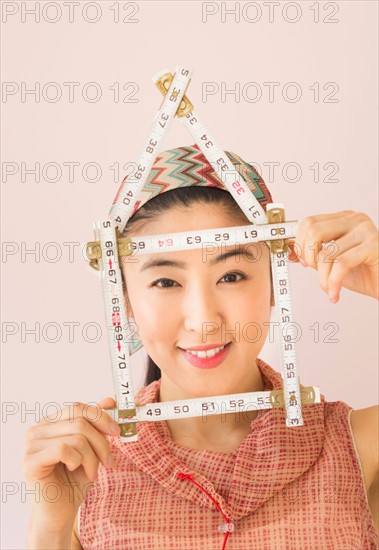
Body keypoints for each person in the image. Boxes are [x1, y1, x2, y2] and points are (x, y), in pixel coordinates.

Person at [24, 144, 379, 549]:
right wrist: (51, 526)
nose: (204, 320)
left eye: (231, 276)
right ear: (124, 300)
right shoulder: (85, 472)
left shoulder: (359, 448)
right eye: (165, 282)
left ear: (274, 281)